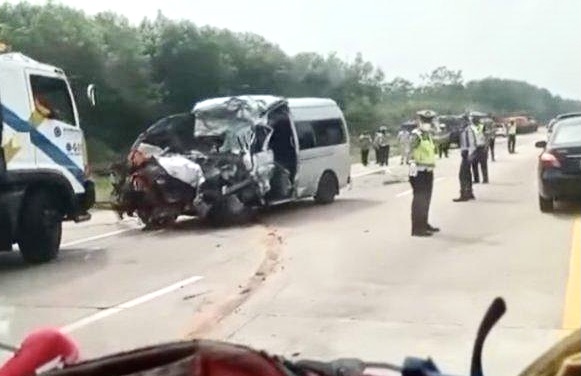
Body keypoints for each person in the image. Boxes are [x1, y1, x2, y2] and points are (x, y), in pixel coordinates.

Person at [407, 110, 440, 237]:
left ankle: (424, 223)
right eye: (425, 121)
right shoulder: (416, 135)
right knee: (419, 201)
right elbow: (410, 153)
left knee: (426, 200)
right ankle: (417, 228)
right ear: (419, 121)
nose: (427, 123)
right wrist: (412, 174)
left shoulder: (427, 135)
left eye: (429, 121)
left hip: (428, 172)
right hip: (418, 172)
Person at [453, 114, 477, 202]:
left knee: (462, 174)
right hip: (466, 153)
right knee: (467, 174)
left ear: (465, 121)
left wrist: (470, 155)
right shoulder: (464, 130)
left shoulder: (468, 130)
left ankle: (464, 194)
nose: (460, 122)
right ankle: (469, 192)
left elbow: (472, 142)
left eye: (461, 121)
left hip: (468, 153)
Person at [471, 116, 489, 184]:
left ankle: (485, 179)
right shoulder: (471, 128)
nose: (474, 121)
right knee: (474, 164)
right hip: (474, 148)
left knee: (483, 164)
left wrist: (486, 146)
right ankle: (476, 179)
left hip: (482, 147)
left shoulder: (482, 127)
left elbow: (486, 136)